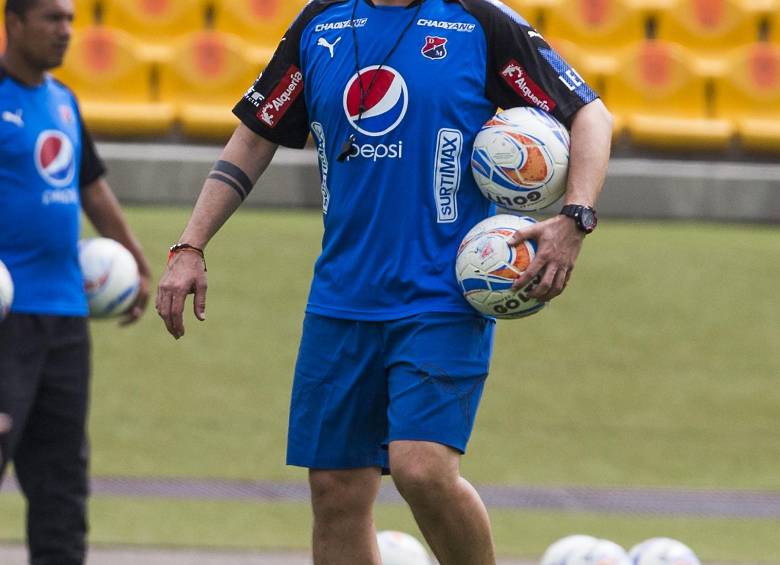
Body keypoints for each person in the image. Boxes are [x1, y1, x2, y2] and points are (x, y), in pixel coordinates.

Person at [157, 0, 612, 563]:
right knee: (335, 490)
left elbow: (589, 114)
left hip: (441, 298)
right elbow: (254, 136)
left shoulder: (479, 20)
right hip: (341, 298)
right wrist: (190, 245)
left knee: (421, 468)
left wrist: (576, 218)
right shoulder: (318, 22)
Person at [0, 0, 152, 563]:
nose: (66, 31)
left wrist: (136, 260)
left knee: (62, 482)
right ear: (14, 23)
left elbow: (90, 186)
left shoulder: (63, 101)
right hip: (5, 321)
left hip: (65, 317)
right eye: (52, 19)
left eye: (70, 19)